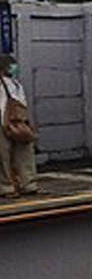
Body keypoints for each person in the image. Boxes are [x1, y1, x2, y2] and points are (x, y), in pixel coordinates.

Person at [0, 54, 38, 197]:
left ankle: (6, 187)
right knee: (24, 154)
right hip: (19, 122)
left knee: (4, 157)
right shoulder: (17, 84)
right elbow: (23, 105)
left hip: (3, 123)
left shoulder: (10, 83)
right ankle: (29, 184)